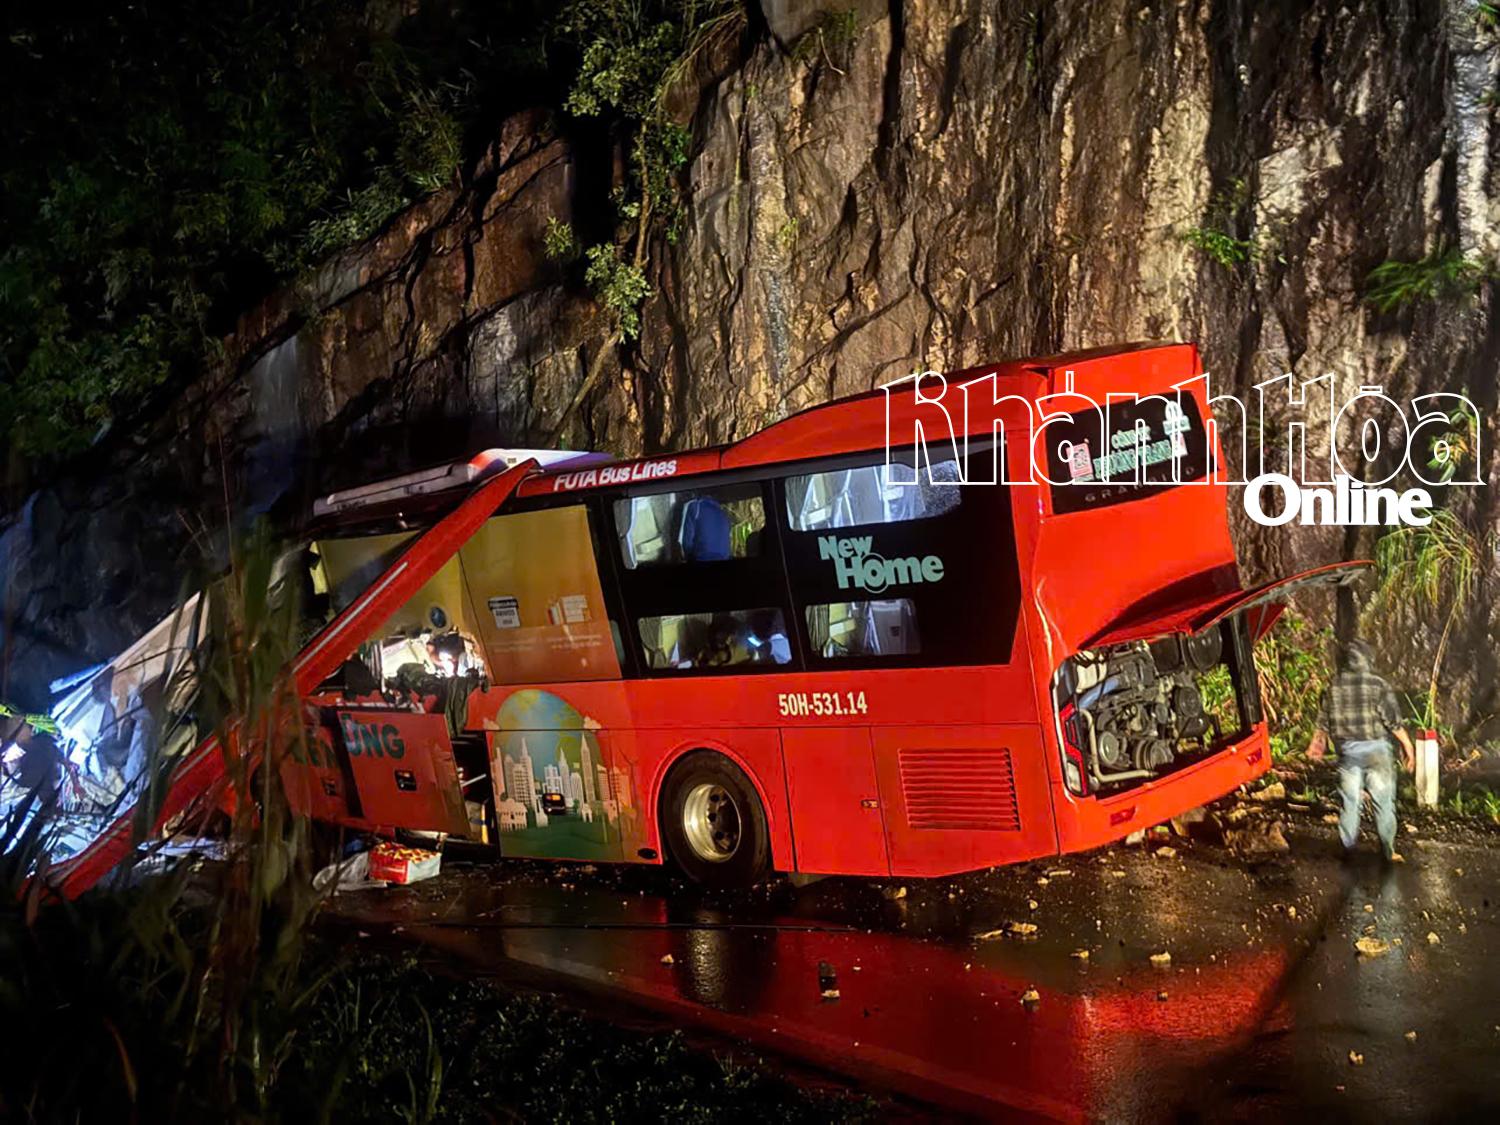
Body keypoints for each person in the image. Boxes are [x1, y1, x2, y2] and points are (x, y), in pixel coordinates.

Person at [1306, 639, 1415, 862]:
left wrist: (1316, 746)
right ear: (1368, 659)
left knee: (1350, 803)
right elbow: (1392, 721)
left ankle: (1348, 850)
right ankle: (1388, 850)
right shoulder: (1378, 685)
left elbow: (1323, 724)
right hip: (1378, 753)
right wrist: (1408, 745)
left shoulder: (1333, 686)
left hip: (1348, 754)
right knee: (1383, 803)